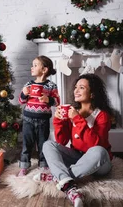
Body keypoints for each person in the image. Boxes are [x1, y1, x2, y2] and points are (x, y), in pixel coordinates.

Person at [35, 74, 114, 207]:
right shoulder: (72, 112)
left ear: (92, 94)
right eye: (76, 87)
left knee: (99, 151)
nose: (76, 90)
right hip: (77, 156)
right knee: (48, 144)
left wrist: (77, 119)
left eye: (81, 87)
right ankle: (66, 182)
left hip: (100, 162)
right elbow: (62, 141)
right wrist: (58, 120)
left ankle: (57, 177)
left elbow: (95, 144)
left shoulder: (102, 115)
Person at [18, 55, 59, 176]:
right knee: (27, 143)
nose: (32, 67)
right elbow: (21, 101)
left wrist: (48, 99)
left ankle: (44, 165)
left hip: (43, 121)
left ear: (44, 69)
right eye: (32, 65)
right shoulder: (28, 85)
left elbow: (57, 101)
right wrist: (24, 94)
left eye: (35, 65)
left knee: (43, 144)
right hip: (28, 119)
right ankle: (24, 166)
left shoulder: (51, 85)